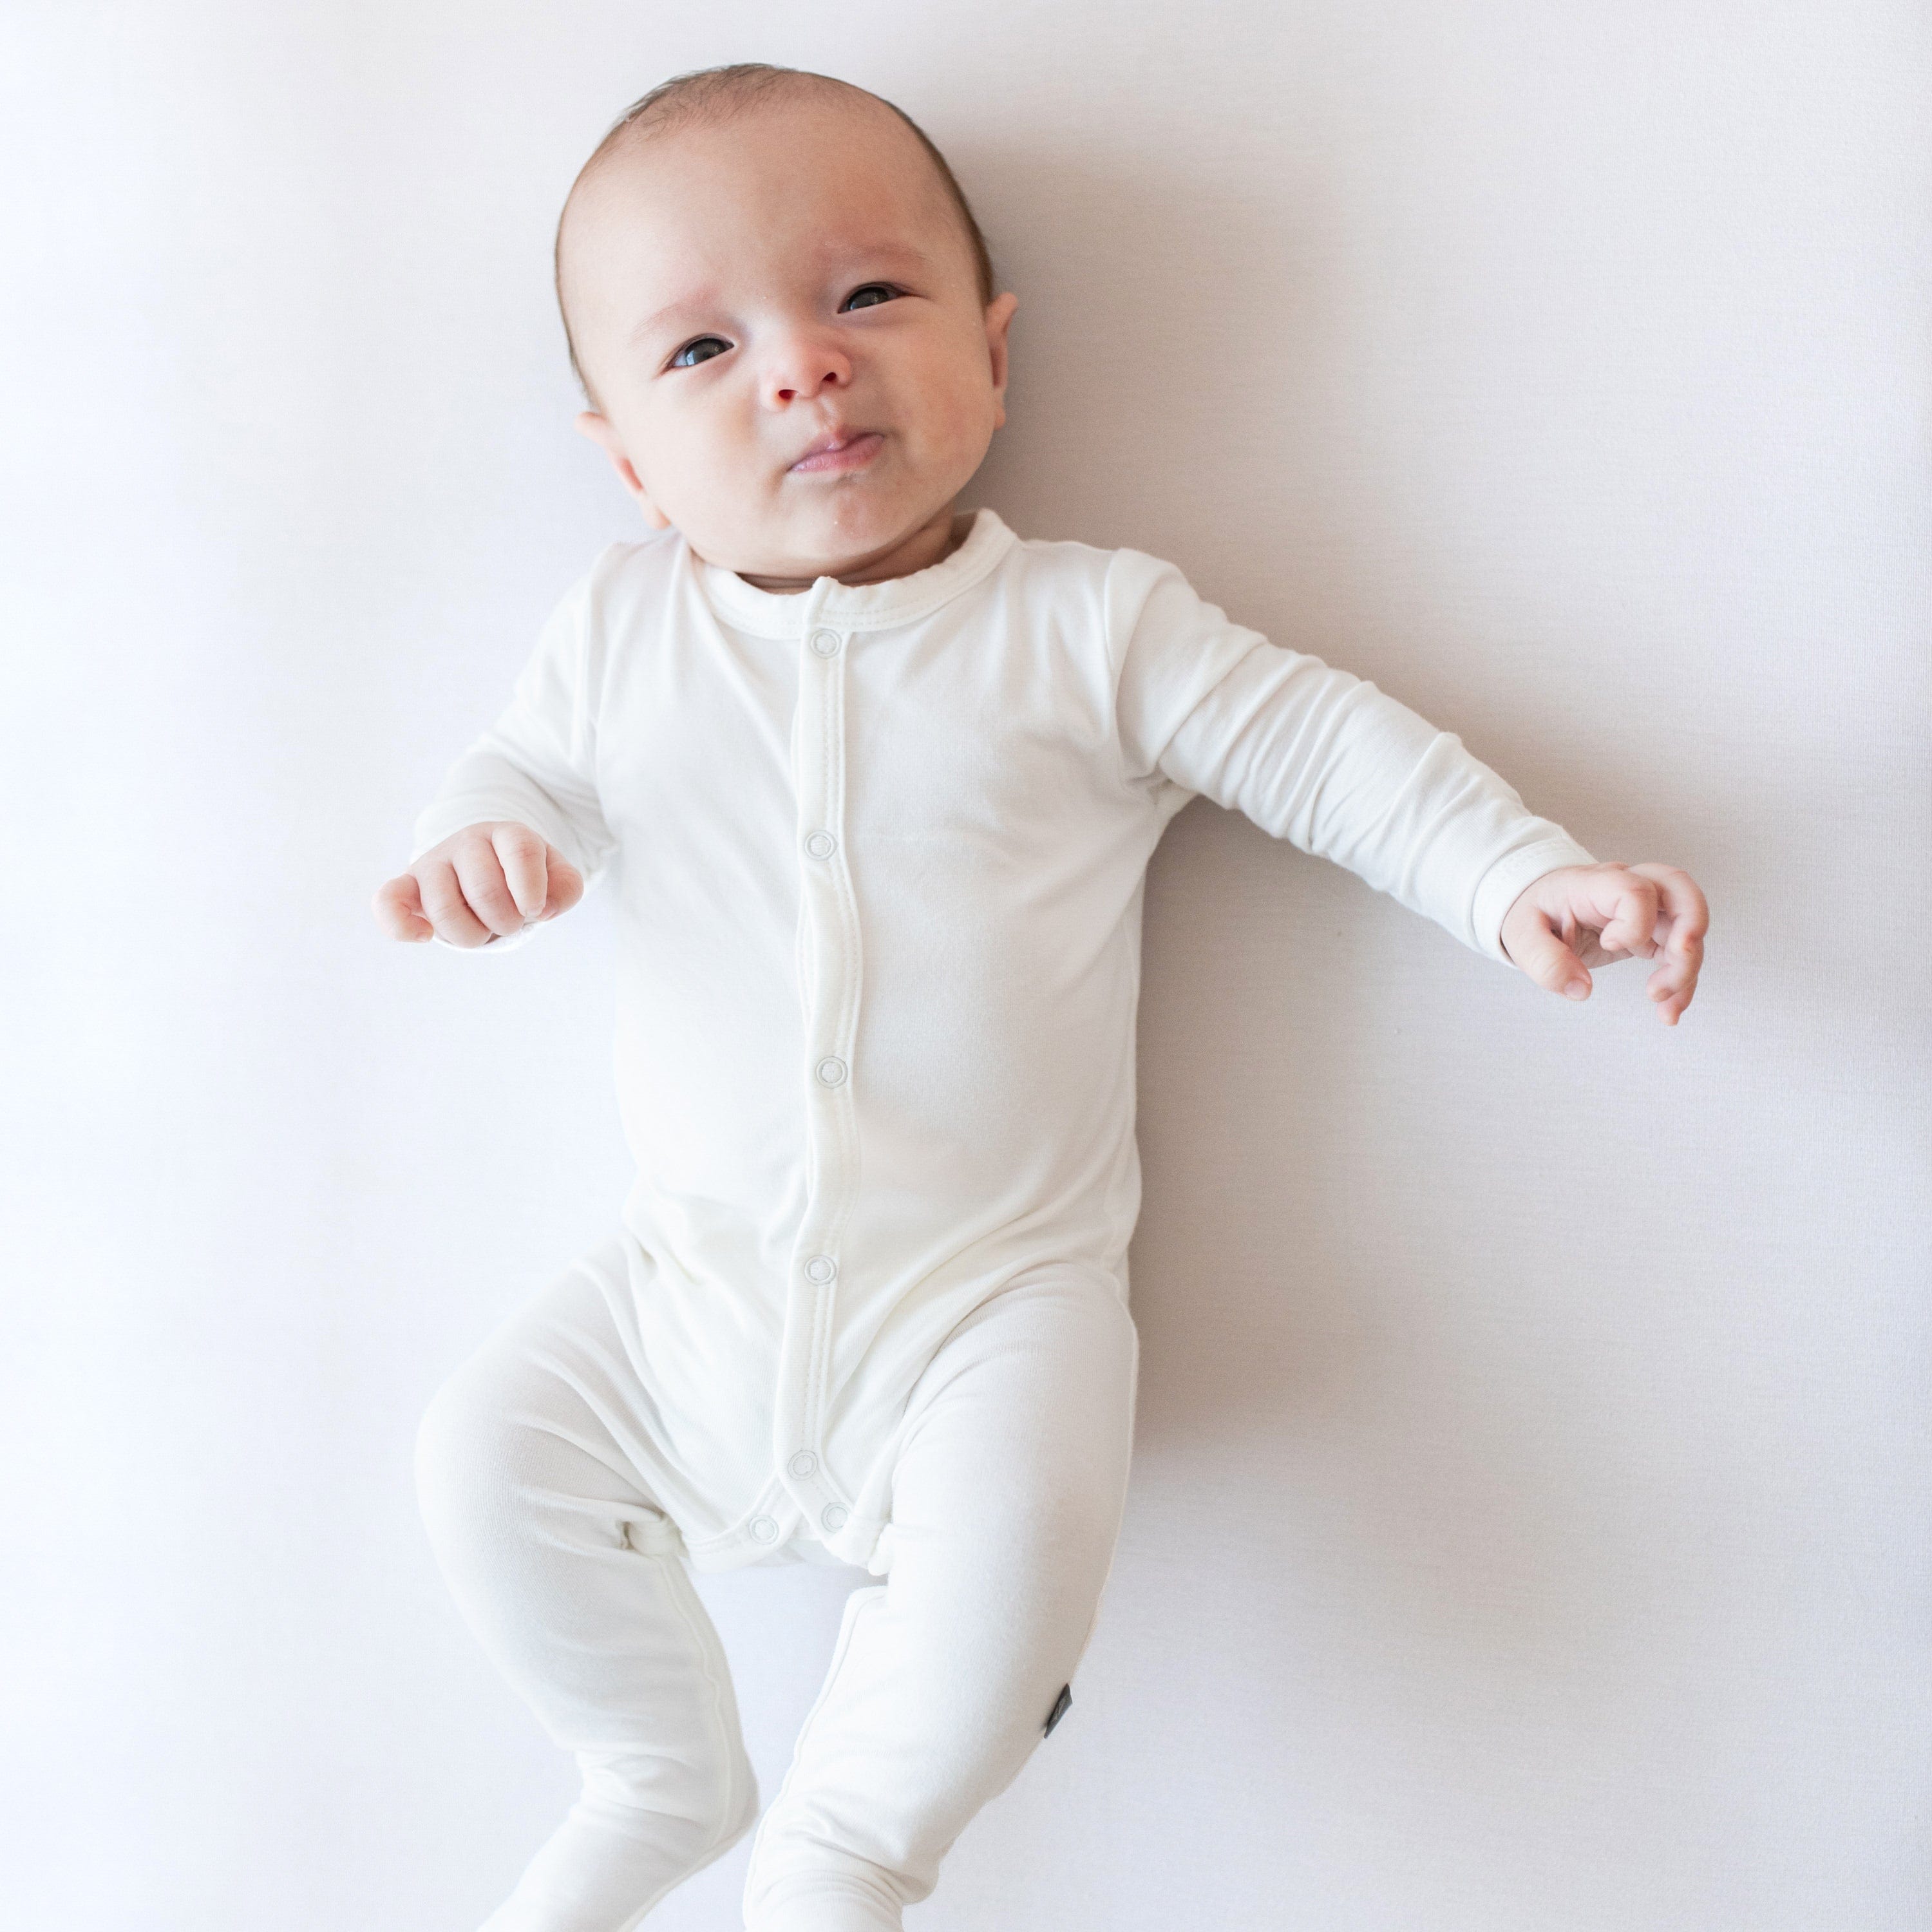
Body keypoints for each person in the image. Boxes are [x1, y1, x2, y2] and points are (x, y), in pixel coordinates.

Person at [372, 61, 1709, 1932]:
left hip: (990, 1312)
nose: (803, 369)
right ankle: (654, 1772)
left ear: (994, 353)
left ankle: (846, 1852)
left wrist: (1513, 874)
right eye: (701, 352)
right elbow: (515, 767)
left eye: (868, 299)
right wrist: (480, 838)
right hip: (688, 1298)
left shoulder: (1090, 627)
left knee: (1019, 1546)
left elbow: (1316, 746)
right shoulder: (616, 634)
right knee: (481, 1454)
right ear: (622, 459)